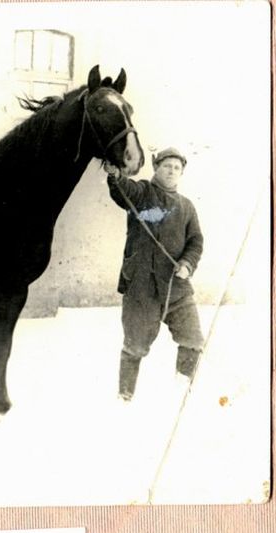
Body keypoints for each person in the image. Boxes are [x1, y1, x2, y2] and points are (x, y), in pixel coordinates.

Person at [104, 147, 204, 401]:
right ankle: (124, 397)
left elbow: (195, 242)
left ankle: (181, 391)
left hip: (176, 287)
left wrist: (187, 264)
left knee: (193, 339)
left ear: (181, 173)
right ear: (156, 167)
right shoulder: (143, 192)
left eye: (177, 168)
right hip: (141, 286)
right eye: (167, 166)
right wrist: (115, 176)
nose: (171, 171)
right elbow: (124, 190)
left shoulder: (187, 206)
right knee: (135, 346)